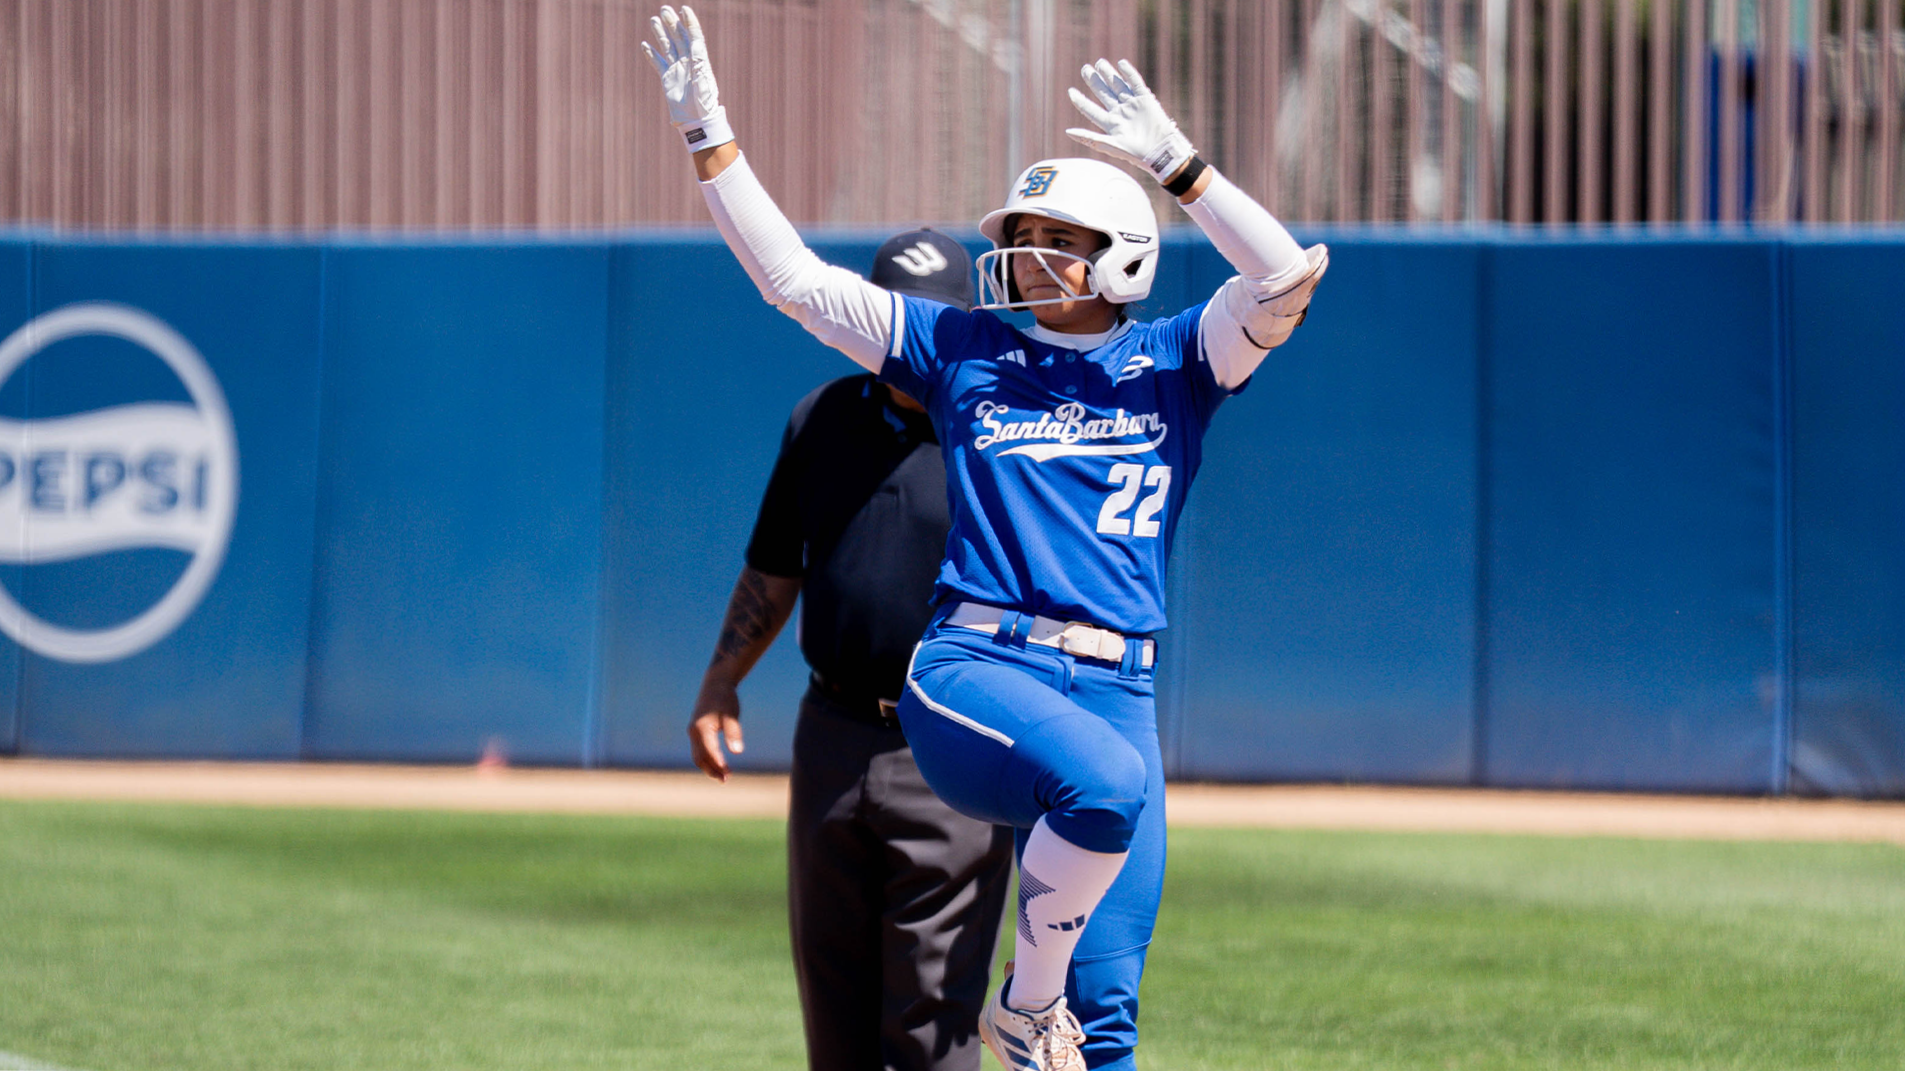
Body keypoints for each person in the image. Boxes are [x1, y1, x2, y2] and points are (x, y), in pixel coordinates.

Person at [646, 8, 1327, 1070]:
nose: (1027, 254)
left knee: (1105, 1028)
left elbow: (1285, 280)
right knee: (1102, 793)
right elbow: (792, 281)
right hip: (976, 667)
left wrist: (1179, 168)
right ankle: (1022, 1004)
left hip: (1117, 689)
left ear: (1124, 258)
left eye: (1059, 241)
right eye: (1022, 236)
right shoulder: (963, 351)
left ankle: (1042, 1009)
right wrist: (709, 134)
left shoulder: (1175, 362)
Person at [688, 227, 1015, 1071]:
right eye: (894, 314)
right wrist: (722, 678)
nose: (908, 336)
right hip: (830, 734)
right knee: (831, 1019)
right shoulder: (824, 416)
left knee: (930, 1029)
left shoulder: (1000, 436)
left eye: (931, 318)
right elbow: (774, 564)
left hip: (951, 745)